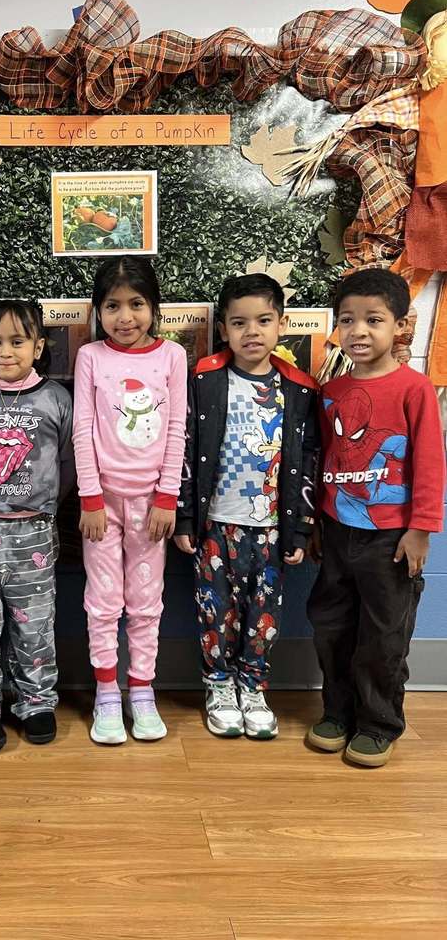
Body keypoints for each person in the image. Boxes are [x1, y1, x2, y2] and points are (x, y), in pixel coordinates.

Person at [306, 268, 444, 767]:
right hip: (338, 532)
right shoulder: (332, 392)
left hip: (391, 540)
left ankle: (378, 723)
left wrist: (421, 529)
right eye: (347, 320)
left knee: (383, 636)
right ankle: (337, 713)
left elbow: (430, 462)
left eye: (373, 320)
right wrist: (318, 522)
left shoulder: (415, 389)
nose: (358, 331)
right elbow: (327, 460)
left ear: (400, 326)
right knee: (331, 626)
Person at [175, 274, 318, 739]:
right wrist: (185, 517)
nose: (251, 332)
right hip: (216, 523)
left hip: (275, 528)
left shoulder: (299, 389)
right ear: (224, 329)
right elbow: (186, 445)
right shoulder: (207, 379)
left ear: (282, 324)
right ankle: (218, 685)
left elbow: (308, 459)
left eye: (263, 320)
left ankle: (253, 686)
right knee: (215, 611)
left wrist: (299, 531)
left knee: (265, 614)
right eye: (239, 323)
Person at [73, 256, 187, 745]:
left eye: (136, 305)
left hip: (151, 507)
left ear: (154, 308)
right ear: (98, 311)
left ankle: (141, 691)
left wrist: (167, 496)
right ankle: (105, 694)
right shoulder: (91, 357)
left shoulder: (172, 357)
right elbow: (82, 428)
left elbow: (178, 427)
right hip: (101, 504)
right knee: (102, 605)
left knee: (145, 604)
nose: (125, 317)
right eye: (112, 306)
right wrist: (90, 498)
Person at [0, 301, 73, 753]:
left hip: (34, 529)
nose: (6, 352)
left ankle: (36, 700)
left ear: (38, 346)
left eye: (18, 341)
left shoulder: (56, 398)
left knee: (34, 622)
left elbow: (67, 460)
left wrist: (43, 505)